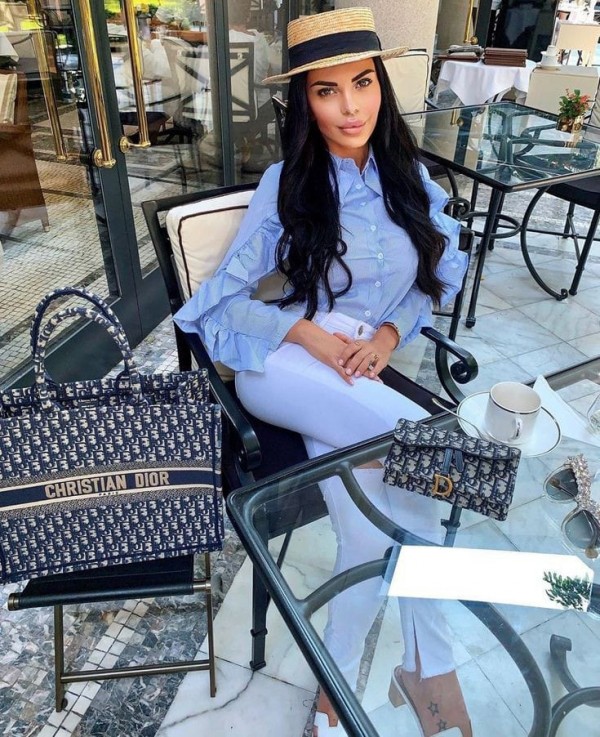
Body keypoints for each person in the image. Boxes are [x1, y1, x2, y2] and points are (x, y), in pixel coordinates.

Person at [175, 8, 472, 737]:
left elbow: (441, 271)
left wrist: (393, 331)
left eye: (362, 83)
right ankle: (433, 666)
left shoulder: (408, 179)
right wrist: (304, 332)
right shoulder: (289, 183)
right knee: (431, 463)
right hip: (284, 368)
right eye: (326, 90)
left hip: (357, 381)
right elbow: (213, 308)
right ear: (304, 102)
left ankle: (356, 686)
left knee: (375, 534)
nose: (349, 106)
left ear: (381, 86)